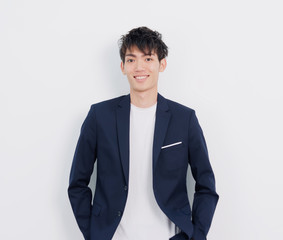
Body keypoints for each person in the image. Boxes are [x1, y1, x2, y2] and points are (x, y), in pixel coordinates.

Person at [68, 26, 219, 240]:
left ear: (162, 64)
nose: (139, 67)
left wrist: (197, 235)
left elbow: (206, 185)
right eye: (131, 60)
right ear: (122, 66)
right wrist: (94, 234)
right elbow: (77, 184)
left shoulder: (184, 119)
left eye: (148, 58)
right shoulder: (99, 116)